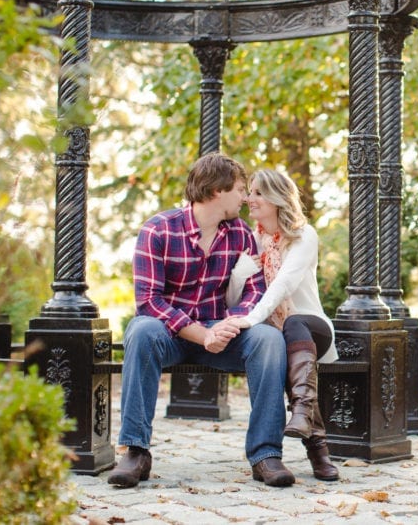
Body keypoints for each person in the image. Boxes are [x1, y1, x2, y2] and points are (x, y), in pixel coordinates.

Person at [108, 153, 295, 488]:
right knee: (141, 330)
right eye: (240, 189)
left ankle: (266, 454)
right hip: (171, 334)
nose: (245, 197)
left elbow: (255, 292)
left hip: (221, 332)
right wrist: (201, 334)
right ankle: (135, 450)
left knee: (268, 340)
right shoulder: (158, 230)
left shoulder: (241, 234)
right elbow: (148, 301)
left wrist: (230, 325)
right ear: (216, 191)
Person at [233, 168, 340, 481]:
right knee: (282, 349)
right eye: (249, 192)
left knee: (292, 325)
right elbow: (232, 297)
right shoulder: (251, 240)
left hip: (312, 326)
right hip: (277, 335)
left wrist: (251, 319)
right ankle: (317, 448)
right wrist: (239, 275)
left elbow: (284, 283)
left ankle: (303, 414)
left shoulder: (303, 235)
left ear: (278, 198)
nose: (249, 199)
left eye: (257, 193)